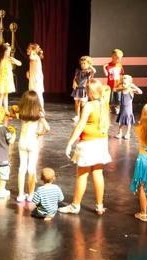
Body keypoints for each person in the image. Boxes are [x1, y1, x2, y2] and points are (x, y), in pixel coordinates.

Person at [60, 80, 111, 216]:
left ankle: (75, 205)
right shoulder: (103, 104)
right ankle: (99, 206)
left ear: (89, 92)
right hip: (101, 142)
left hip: (88, 143)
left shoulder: (89, 105)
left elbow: (80, 125)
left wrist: (70, 142)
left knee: (82, 174)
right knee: (97, 173)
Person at [13, 91, 49, 202]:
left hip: (22, 142)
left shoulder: (21, 113)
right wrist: (40, 133)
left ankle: (20, 195)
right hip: (33, 142)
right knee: (31, 168)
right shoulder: (39, 114)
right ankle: (31, 195)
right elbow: (47, 128)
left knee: (22, 168)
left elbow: (12, 112)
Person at [0, 43, 22, 111]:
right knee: (1, 94)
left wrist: (14, 60)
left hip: (8, 79)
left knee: (6, 95)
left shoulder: (10, 59)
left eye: (9, 52)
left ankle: (6, 110)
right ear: (2, 52)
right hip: (1, 79)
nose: (8, 53)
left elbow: (19, 64)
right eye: (7, 52)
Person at [114, 74, 143, 140]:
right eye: (123, 83)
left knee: (128, 122)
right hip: (122, 109)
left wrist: (134, 86)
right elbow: (114, 89)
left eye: (125, 83)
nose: (124, 85)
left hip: (128, 110)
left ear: (129, 84)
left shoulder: (131, 90)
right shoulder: (122, 89)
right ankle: (120, 132)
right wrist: (120, 83)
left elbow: (140, 92)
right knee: (120, 122)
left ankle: (128, 133)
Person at [71, 56, 96, 122]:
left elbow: (94, 71)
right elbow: (75, 78)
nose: (82, 65)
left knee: (83, 104)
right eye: (81, 63)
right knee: (77, 103)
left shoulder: (89, 72)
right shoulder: (78, 71)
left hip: (84, 90)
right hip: (77, 89)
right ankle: (77, 115)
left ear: (88, 64)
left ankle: (83, 115)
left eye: (84, 63)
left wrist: (90, 66)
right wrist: (74, 82)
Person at [26, 43, 45, 109]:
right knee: (32, 94)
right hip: (33, 78)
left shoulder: (35, 57)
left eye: (28, 49)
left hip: (37, 79)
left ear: (32, 50)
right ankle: (34, 109)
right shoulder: (34, 57)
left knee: (38, 94)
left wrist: (33, 50)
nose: (27, 50)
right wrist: (29, 72)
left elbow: (31, 57)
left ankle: (41, 110)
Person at [104, 49, 124, 113]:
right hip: (110, 84)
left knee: (118, 97)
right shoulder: (108, 65)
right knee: (109, 97)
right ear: (113, 56)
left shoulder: (120, 65)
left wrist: (121, 83)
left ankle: (117, 107)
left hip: (118, 84)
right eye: (117, 58)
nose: (118, 60)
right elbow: (106, 74)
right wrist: (104, 67)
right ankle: (108, 107)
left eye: (120, 58)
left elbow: (121, 74)